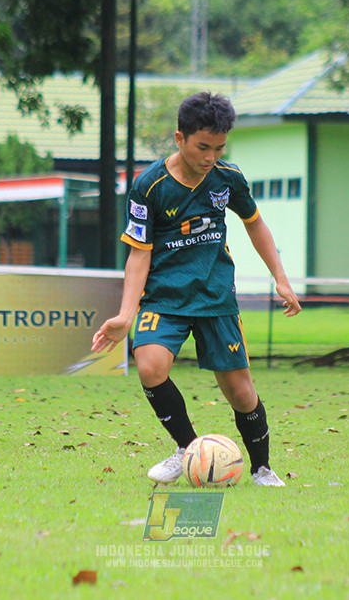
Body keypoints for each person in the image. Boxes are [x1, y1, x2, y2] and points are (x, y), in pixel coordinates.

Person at [91, 91, 301, 487]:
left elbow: (254, 223)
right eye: (202, 147)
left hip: (214, 296)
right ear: (180, 138)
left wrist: (281, 276)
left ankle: (261, 469)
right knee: (150, 366)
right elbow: (138, 253)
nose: (210, 157)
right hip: (165, 297)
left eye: (219, 148)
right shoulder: (149, 186)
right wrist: (125, 313)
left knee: (241, 393)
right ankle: (189, 449)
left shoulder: (228, 177)